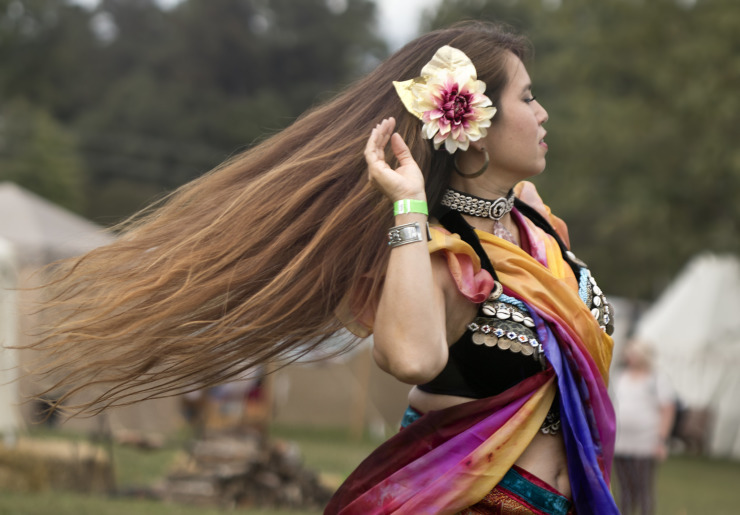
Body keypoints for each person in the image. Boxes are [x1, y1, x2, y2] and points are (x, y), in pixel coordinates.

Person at [29, 21, 617, 514]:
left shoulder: (536, 227)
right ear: (477, 127)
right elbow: (411, 359)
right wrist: (408, 204)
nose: (543, 114)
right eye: (528, 97)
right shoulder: (435, 251)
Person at [612, 340, 676, 515]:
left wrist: (661, 440)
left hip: (645, 441)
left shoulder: (657, 378)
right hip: (621, 440)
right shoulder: (620, 376)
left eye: (634, 353)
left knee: (643, 487)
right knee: (624, 487)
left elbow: (667, 410)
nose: (629, 357)